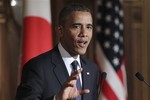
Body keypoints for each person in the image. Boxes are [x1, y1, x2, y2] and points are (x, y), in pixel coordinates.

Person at [16, 3, 100, 100]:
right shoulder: (37, 67)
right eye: (76, 26)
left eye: (89, 27)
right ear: (60, 30)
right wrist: (57, 98)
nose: (84, 33)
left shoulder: (92, 69)